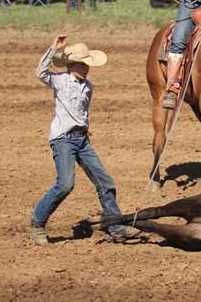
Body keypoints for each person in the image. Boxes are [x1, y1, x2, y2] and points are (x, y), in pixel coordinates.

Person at [30, 35, 140, 246]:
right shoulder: (60, 80)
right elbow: (40, 72)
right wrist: (54, 48)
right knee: (65, 184)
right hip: (63, 140)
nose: (87, 68)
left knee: (105, 182)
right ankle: (37, 222)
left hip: (81, 140)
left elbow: (83, 112)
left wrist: (86, 130)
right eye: (83, 64)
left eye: (87, 64)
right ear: (72, 65)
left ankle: (116, 227)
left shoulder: (88, 86)